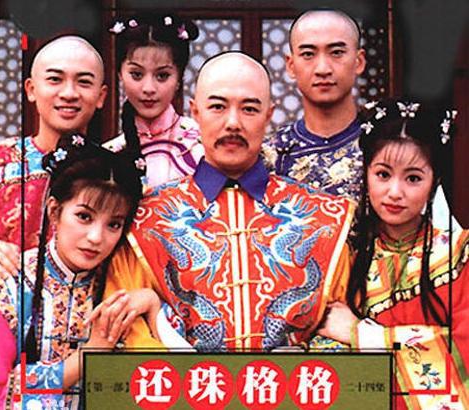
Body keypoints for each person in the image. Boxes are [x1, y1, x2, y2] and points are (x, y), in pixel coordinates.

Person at [105, 51, 355, 352]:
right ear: (195, 112)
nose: (233, 122)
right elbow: (131, 334)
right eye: (218, 107)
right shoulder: (146, 219)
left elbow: (341, 332)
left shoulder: (323, 218)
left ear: (269, 115)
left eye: (249, 109)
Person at [318, 100, 468, 409]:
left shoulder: (459, 254)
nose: (395, 192)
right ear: (366, 174)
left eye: (413, 178)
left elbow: (464, 347)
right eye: (383, 174)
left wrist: (362, 336)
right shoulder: (348, 259)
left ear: (434, 182)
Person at [0, 133, 161, 409]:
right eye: (84, 217)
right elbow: (3, 390)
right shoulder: (10, 283)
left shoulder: (124, 283)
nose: (96, 237)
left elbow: (170, 378)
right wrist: (87, 355)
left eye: (114, 224)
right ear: (54, 211)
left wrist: (153, 303)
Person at [0, 35, 107, 276]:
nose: (69, 93)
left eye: (84, 82)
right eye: (55, 79)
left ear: (101, 96)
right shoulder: (1, 161)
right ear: (31, 89)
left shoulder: (113, 172)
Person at [263, 9, 366, 202]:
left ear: (358, 61)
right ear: (291, 65)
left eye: (337, 53)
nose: (323, 69)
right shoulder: (271, 156)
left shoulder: (381, 144)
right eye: (308, 54)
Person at [104, 13, 203, 187]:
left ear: (179, 79)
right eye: (136, 74)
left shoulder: (203, 145)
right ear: (120, 75)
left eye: (162, 76)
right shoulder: (108, 155)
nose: (148, 88)